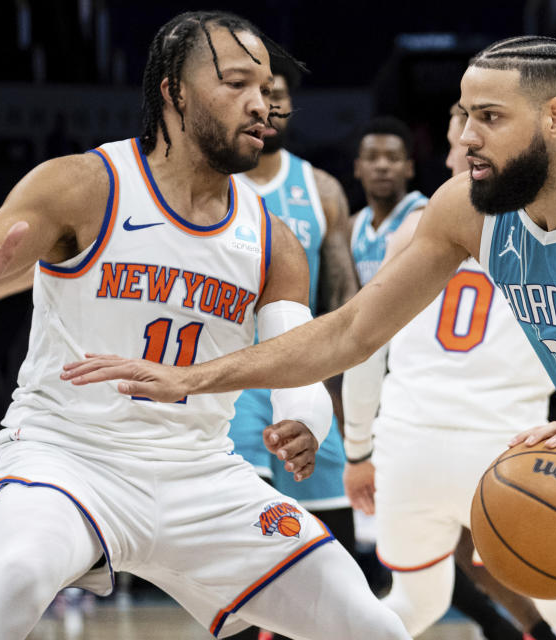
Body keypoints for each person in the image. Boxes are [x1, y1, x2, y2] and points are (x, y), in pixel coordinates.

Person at [61, 35, 556, 640]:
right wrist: (194, 376)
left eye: (488, 117)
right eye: (462, 114)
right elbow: (352, 333)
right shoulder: (469, 209)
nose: (463, 136)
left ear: (555, 118)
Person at [0, 11, 408, 640]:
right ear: (174, 92)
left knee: (372, 623)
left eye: (266, 88)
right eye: (237, 84)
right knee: (20, 578)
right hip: (67, 458)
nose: (261, 104)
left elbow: (296, 360)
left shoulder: (273, 241)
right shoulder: (84, 185)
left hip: (203, 476)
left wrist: (304, 418)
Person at [342, 103, 556, 640]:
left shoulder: (412, 229)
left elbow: (364, 350)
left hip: (407, 444)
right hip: (507, 449)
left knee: (414, 603)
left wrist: (358, 451)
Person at [229, 52, 359, 640]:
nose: (269, 103)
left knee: (332, 540)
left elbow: (345, 296)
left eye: (277, 92)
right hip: (233, 380)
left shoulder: (321, 189)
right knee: (246, 535)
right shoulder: (215, 184)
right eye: (258, 90)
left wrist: (339, 387)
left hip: (305, 376)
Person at [350, 116, 428, 286]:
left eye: (393, 158)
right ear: (357, 168)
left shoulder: (426, 215)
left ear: (409, 168)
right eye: (371, 158)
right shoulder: (352, 226)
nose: (382, 166)